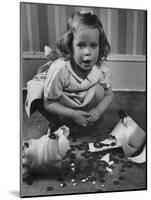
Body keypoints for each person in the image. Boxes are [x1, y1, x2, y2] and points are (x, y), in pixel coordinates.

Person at [26, 10, 114, 137]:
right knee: (38, 94)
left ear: (100, 46)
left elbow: (109, 95)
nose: (87, 52)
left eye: (93, 45)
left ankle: (79, 116)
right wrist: (72, 114)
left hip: (77, 95)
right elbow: (49, 103)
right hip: (57, 96)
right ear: (70, 45)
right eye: (81, 45)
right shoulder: (61, 70)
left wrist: (98, 110)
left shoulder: (100, 68)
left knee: (100, 91)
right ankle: (59, 122)